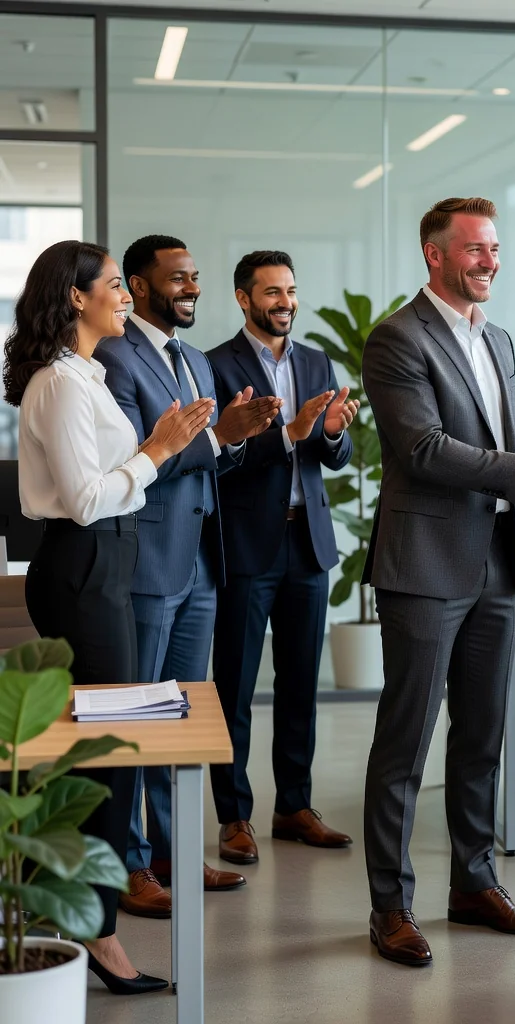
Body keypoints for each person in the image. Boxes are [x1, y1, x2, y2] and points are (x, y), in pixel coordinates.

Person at [360, 196, 515, 968]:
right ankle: (390, 905)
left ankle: (473, 883)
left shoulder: (500, 339)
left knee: (484, 734)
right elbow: (422, 449)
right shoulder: (397, 338)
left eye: (494, 249)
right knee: (406, 740)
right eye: (475, 250)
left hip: (492, 563)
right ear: (435, 256)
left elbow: (508, 448)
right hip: (423, 566)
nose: (490, 261)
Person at [3, 239, 214, 993]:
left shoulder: (84, 377)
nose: (127, 296)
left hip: (110, 568)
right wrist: (158, 450)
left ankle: (78, 925)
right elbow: (88, 500)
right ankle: (96, 936)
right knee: (108, 759)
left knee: (111, 753)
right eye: (115, 286)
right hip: (84, 567)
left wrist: (163, 450)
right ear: (75, 300)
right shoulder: (59, 386)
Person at [95, 235, 282, 916]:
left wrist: (245, 436)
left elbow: (209, 459)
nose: (190, 289)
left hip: (203, 561)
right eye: (177, 279)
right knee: (139, 717)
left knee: (180, 718)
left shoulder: (197, 360)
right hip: (148, 561)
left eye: (195, 278)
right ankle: (132, 863)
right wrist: (218, 437)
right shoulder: (113, 357)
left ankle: (175, 852)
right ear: (140, 287)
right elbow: (140, 463)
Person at [206, 250, 358, 866]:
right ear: (244, 298)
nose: (285, 303)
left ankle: (294, 805)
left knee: (301, 686)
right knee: (236, 686)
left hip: (308, 543)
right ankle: (234, 816)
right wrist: (288, 435)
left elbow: (335, 456)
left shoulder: (317, 360)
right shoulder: (214, 366)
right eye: (272, 292)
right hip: (247, 546)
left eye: (290, 291)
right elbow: (220, 461)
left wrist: (329, 433)